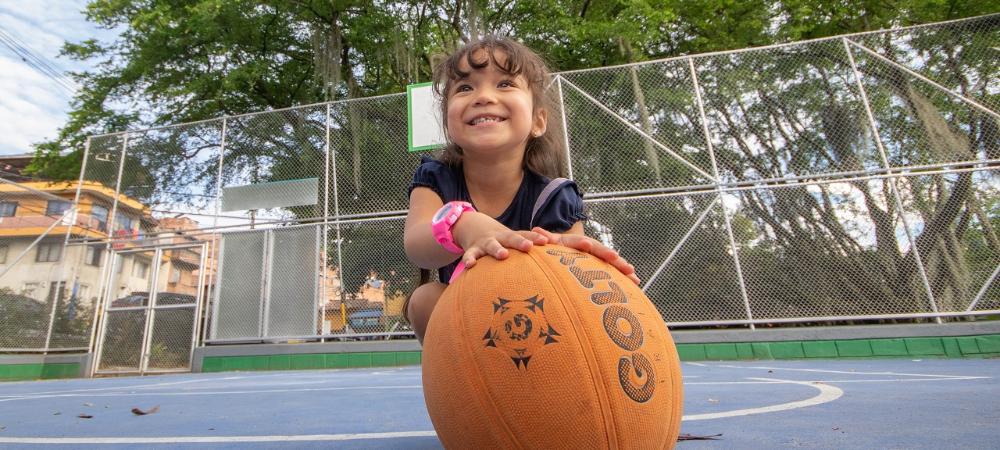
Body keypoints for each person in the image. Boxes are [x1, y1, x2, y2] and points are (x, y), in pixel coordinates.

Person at [403, 37, 639, 344]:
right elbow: (416, 245)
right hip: (468, 321)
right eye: (465, 87)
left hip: (539, 323)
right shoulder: (436, 178)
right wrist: (462, 225)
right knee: (424, 300)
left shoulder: (553, 196)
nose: (483, 96)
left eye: (504, 84)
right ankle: (460, 374)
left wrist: (577, 260)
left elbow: (569, 288)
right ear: (449, 124)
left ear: (538, 121)